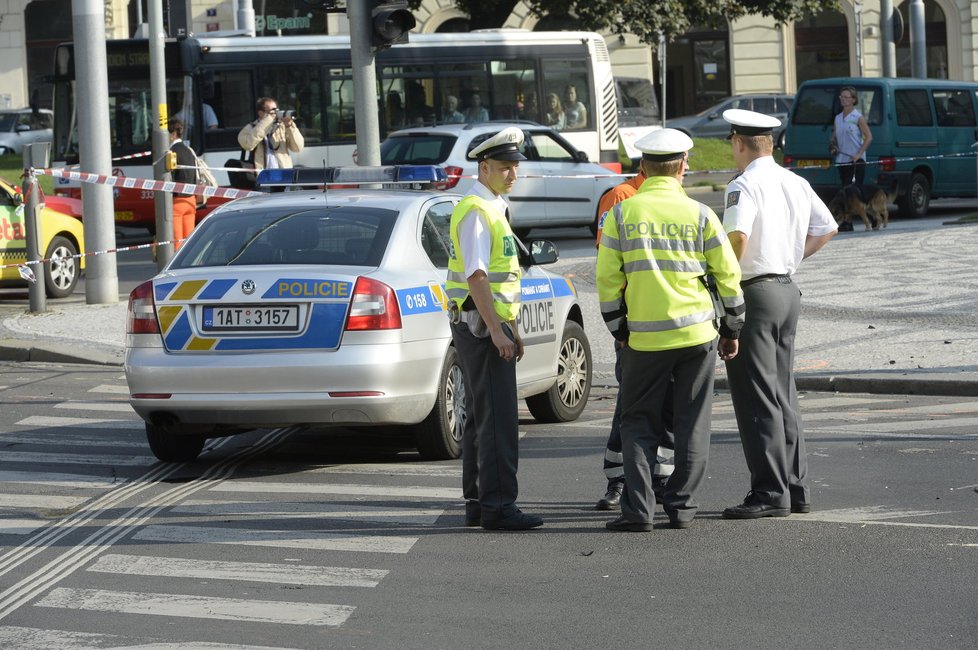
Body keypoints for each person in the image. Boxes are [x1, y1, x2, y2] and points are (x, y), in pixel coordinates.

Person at [596, 128, 744, 531]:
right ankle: (681, 508)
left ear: (643, 166)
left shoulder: (623, 214)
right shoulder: (700, 214)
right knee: (692, 423)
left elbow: (607, 279)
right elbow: (729, 276)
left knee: (638, 423)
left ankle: (638, 511)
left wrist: (618, 329)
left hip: (643, 340)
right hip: (697, 337)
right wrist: (732, 328)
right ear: (683, 167)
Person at [720, 108, 838, 520]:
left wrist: (723, 288)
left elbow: (736, 238)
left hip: (756, 292)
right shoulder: (795, 180)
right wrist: (789, 259)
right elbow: (828, 228)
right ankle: (795, 485)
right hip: (787, 289)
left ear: (739, 143)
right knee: (783, 392)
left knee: (757, 396)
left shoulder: (744, 185)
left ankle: (770, 491)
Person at [445, 126, 543, 532]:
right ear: (483, 168)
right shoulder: (477, 211)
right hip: (482, 327)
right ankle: (499, 507)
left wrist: (509, 326)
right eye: (504, 167)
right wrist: (498, 331)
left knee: (481, 417)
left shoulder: (490, 207)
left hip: (485, 323)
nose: (512, 174)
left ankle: (479, 502)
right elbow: (478, 278)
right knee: (498, 419)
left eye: (515, 167)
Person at [593, 166, 678, 511]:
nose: (684, 170)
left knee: (667, 403)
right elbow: (606, 264)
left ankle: (660, 478)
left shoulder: (677, 198)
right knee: (630, 404)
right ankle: (618, 478)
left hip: (671, 323)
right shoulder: (620, 197)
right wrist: (619, 324)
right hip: (635, 323)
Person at [237, 96, 304, 171]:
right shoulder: (250, 128)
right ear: (261, 113)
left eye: (277, 110)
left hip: (283, 175)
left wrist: (289, 126)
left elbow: (298, 148)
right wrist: (267, 121)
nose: (276, 113)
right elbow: (248, 145)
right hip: (262, 175)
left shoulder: (282, 127)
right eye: (272, 110)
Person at [830, 86, 872, 186]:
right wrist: (833, 146)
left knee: (853, 192)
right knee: (844, 190)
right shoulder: (838, 118)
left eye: (846, 97)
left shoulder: (858, 117)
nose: (843, 99)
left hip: (855, 161)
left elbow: (869, 137)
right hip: (842, 160)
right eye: (841, 97)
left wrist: (859, 154)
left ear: (853, 99)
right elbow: (834, 137)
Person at [166, 119, 198, 250]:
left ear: (173, 134)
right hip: (191, 200)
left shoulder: (171, 152)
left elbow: (169, 176)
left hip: (177, 201)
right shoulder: (188, 150)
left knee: (176, 241)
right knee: (189, 241)